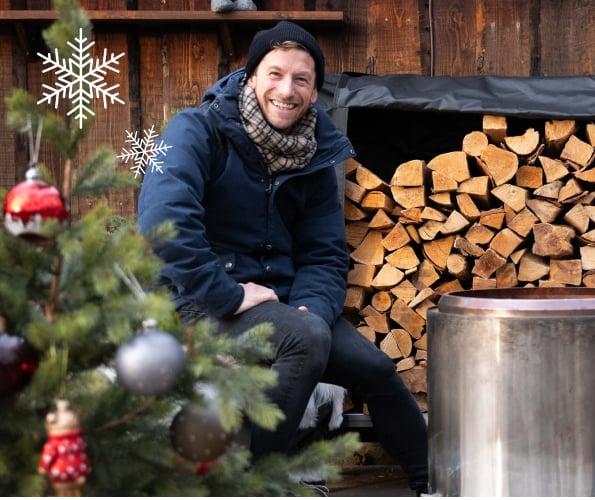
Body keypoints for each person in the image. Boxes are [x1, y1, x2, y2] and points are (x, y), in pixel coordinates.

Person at [136, 21, 428, 494]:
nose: (286, 90)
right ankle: (260, 483)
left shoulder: (314, 150)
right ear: (250, 77)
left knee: (375, 370)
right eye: (274, 74)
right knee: (305, 339)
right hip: (196, 300)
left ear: (314, 92)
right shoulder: (194, 129)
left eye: (301, 80)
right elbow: (162, 226)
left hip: (282, 302)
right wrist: (228, 296)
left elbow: (325, 252)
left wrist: (311, 306)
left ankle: (434, 482)